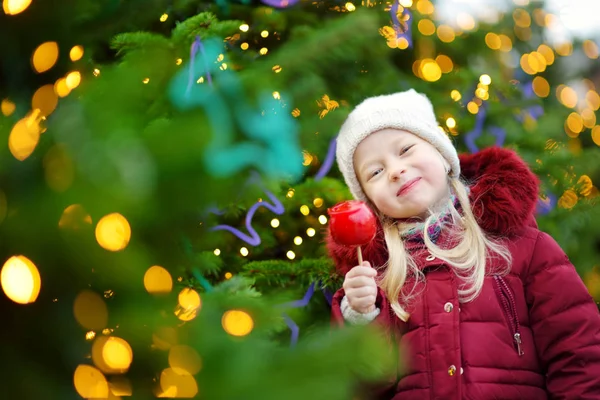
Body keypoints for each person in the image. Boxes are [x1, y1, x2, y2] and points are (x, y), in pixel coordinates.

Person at [327, 89, 600, 399]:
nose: (395, 170)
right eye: (375, 172)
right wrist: (363, 316)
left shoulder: (523, 247)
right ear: (370, 203)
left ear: (442, 154)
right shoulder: (376, 279)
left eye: (405, 149)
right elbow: (367, 385)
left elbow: (578, 353)